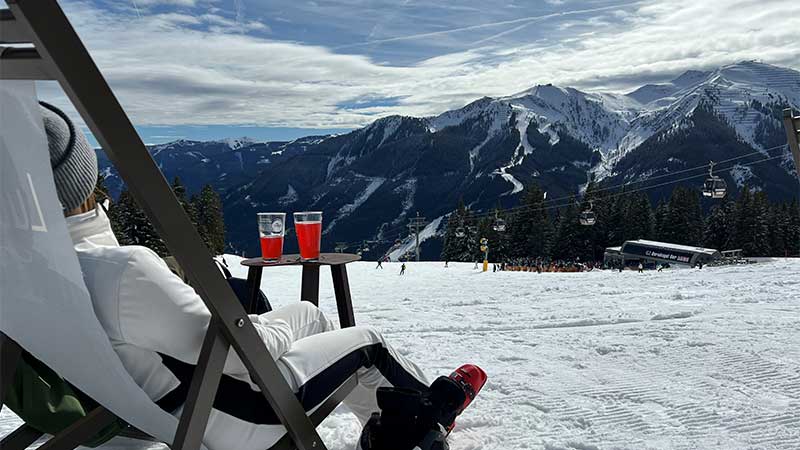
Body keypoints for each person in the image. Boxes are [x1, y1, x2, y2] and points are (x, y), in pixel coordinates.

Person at [41, 103, 475, 450]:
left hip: (154, 407)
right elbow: (242, 354)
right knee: (369, 344)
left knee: (309, 315)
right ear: (82, 181)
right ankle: (429, 414)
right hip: (233, 416)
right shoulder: (119, 271)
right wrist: (263, 326)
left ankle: (389, 425)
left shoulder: (38, 273)